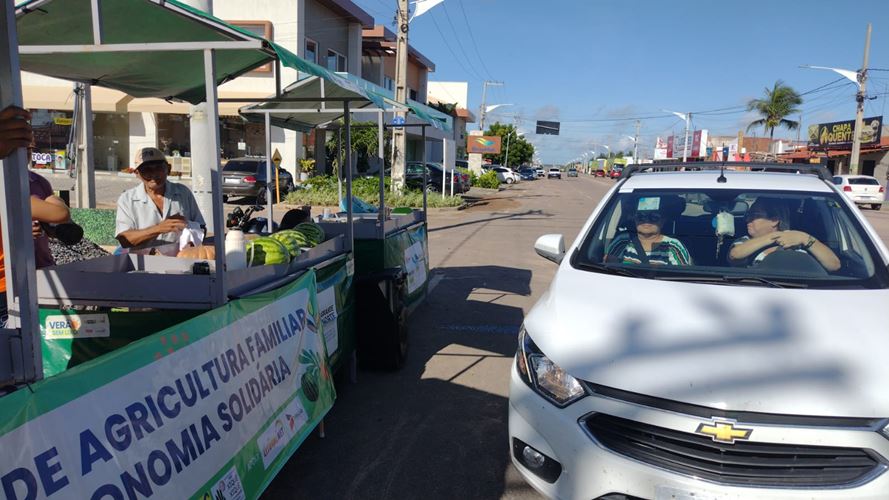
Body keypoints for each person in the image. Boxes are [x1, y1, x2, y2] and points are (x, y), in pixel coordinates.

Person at [115, 147, 204, 251]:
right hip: (142, 263)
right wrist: (159, 228)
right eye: (146, 170)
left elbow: (201, 227)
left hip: (181, 261)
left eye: (159, 168)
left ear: (168, 169)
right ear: (137, 173)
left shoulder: (183, 193)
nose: (154, 174)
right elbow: (124, 240)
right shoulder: (127, 199)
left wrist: (191, 234)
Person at [729, 198, 841, 271]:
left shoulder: (797, 240)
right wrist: (774, 237)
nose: (748, 219)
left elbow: (834, 265)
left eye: (755, 215)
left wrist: (804, 238)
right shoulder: (745, 240)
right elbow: (735, 254)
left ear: (774, 220)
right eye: (748, 215)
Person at [604, 206, 692, 266]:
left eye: (654, 217)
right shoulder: (622, 240)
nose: (646, 220)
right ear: (634, 219)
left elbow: (680, 277)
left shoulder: (673, 246)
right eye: (640, 216)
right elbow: (609, 267)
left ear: (662, 221)